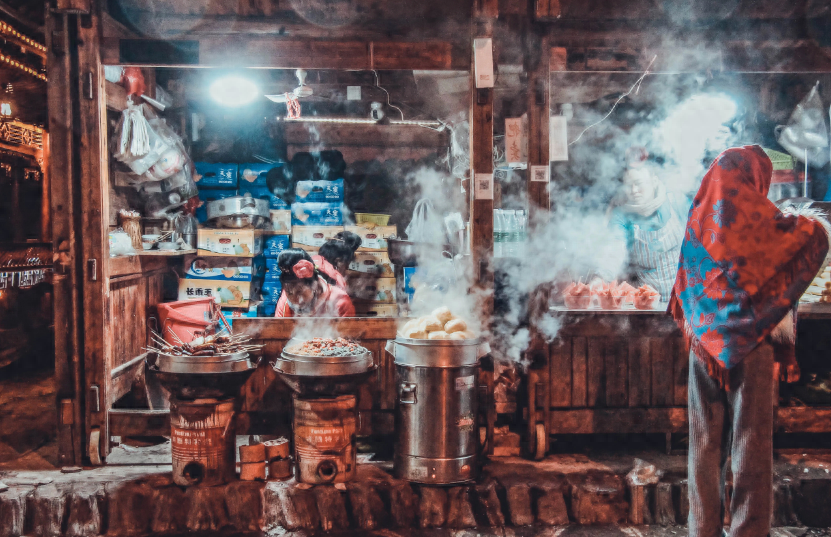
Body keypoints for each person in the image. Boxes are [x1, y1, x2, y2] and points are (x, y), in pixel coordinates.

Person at [668, 145, 829, 537]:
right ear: (756, 178)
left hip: (703, 345)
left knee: (703, 443)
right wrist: (807, 221)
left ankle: (701, 529)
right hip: (753, 346)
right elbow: (812, 238)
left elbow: (686, 287)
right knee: (751, 442)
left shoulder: (699, 219)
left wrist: (707, 337)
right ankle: (748, 531)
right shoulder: (764, 223)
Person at [609, 150, 690, 300]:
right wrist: (599, 278)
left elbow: (703, 240)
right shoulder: (622, 216)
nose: (634, 191)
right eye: (628, 186)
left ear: (653, 181)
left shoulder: (677, 202)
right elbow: (612, 251)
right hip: (648, 303)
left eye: (638, 184)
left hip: (686, 298)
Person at [273, 248, 355, 317]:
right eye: (289, 293)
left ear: (315, 285)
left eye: (299, 292)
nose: (296, 299)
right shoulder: (285, 301)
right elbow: (279, 332)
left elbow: (348, 334)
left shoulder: (339, 301)